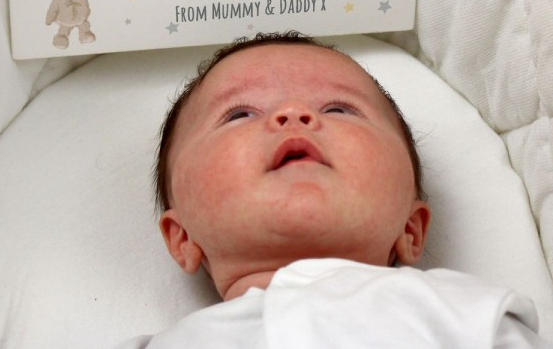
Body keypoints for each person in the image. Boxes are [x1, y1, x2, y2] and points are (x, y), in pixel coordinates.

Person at [119, 32, 551, 348]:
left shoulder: (466, 316)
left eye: (340, 109)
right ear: (182, 237)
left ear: (411, 228)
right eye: (239, 114)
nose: (293, 114)